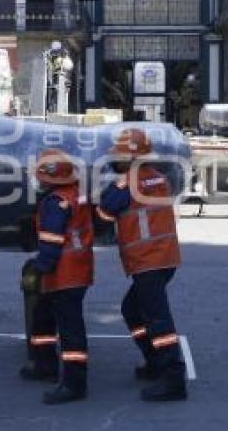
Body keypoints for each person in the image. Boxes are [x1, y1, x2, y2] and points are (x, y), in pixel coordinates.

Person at [97, 128, 187, 402]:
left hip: (147, 261)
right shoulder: (158, 179)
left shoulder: (126, 185)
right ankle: (155, 361)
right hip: (165, 259)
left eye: (120, 156)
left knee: (158, 320)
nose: (115, 160)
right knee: (132, 309)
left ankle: (173, 377)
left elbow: (104, 213)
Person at [20, 148, 94, 405]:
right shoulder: (75, 194)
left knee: (69, 328)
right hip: (77, 268)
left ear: (51, 179)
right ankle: (45, 364)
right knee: (43, 318)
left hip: (64, 273)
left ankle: (75, 383)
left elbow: (51, 242)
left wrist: (38, 270)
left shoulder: (55, 203)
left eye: (40, 177)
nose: (37, 181)